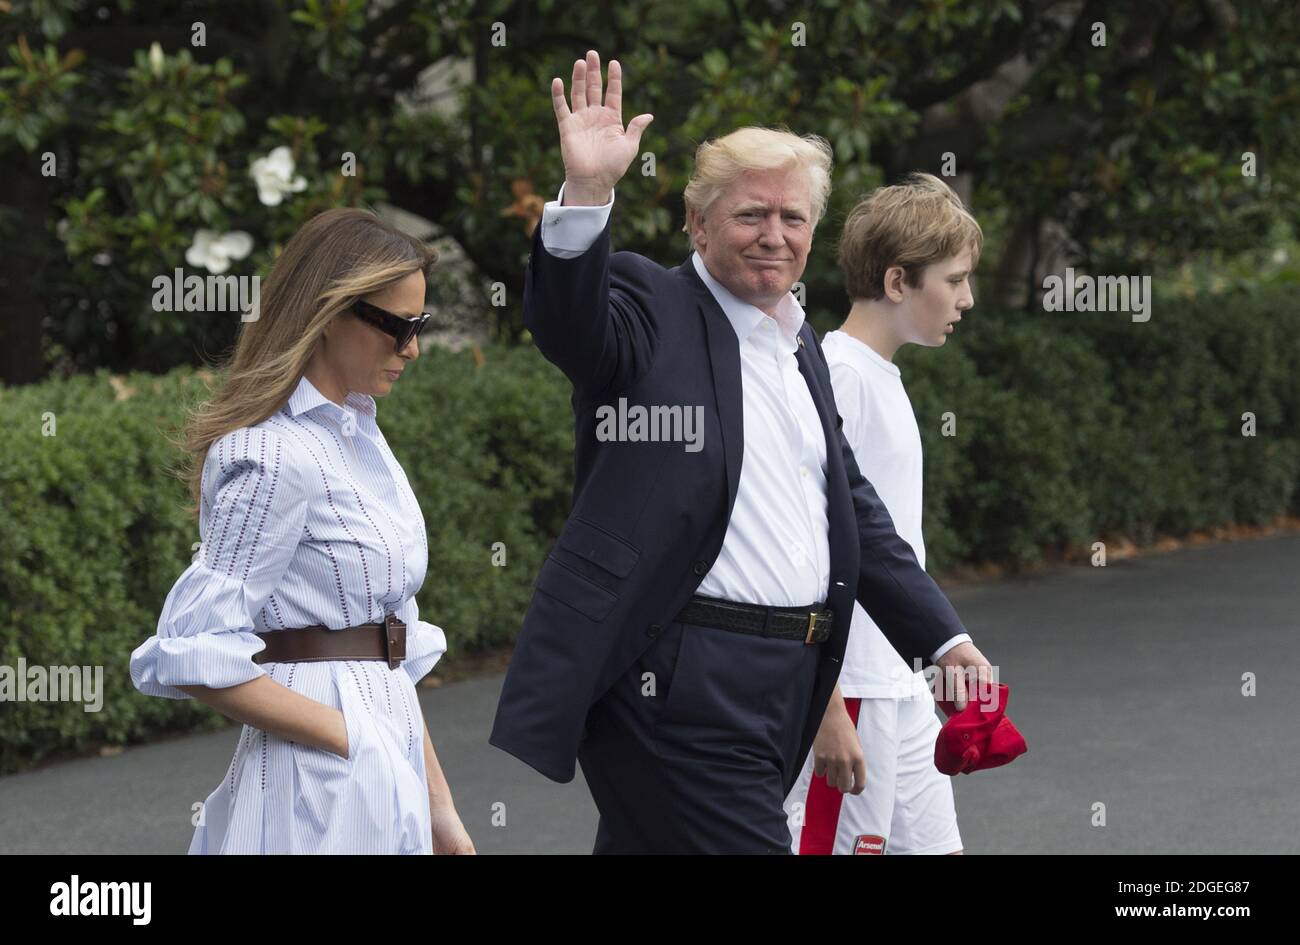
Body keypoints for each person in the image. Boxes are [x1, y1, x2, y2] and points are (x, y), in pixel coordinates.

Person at [489, 50, 994, 854]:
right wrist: (586, 192)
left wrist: (942, 639)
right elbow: (567, 323)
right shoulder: (649, 306)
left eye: (793, 219)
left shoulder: (801, 349)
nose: (774, 235)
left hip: (785, 683)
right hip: (674, 680)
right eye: (750, 214)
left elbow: (854, 507)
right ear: (697, 223)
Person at [130, 207, 474, 855]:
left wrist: (440, 806)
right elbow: (195, 647)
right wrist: (351, 735)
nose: (413, 347)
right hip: (318, 780)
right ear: (326, 313)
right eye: (397, 326)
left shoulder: (362, 437)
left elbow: (388, 642)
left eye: (419, 324)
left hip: (385, 757)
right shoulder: (272, 454)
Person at [785, 173, 982, 855]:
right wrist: (828, 704)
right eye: (954, 280)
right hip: (856, 692)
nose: (968, 298)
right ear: (898, 281)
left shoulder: (877, 375)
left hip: (902, 687)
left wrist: (939, 653)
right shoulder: (839, 375)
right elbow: (809, 549)